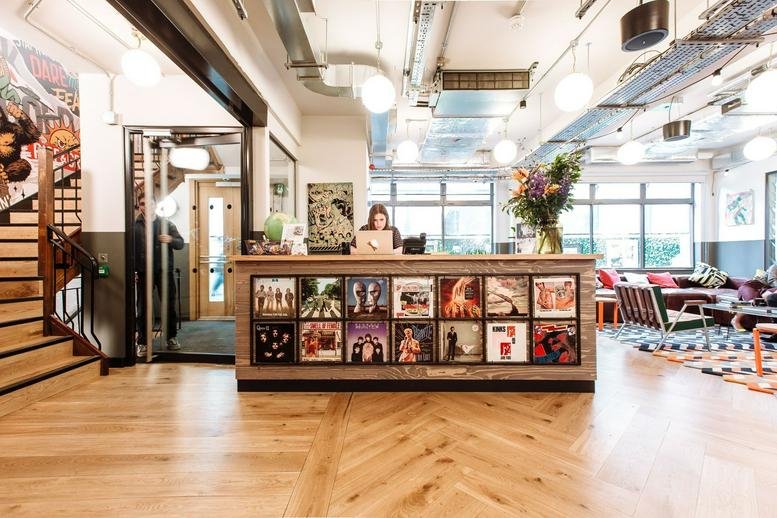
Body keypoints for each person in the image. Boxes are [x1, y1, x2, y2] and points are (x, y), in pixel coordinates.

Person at [134, 196, 184, 355]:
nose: (146, 206)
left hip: (164, 272)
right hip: (143, 272)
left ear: (155, 205)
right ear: (139, 206)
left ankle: (171, 338)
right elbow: (131, 251)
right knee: (142, 309)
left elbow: (180, 243)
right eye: (143, 204)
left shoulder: (166, 224)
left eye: (150, 203)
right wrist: (134, 271)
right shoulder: (134, 226)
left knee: (168, 306)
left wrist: (170, 239)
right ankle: (142, 342)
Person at [732, 264, 777, 331]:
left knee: (759, 302)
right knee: (754, 300)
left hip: (763, 289)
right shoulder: (775, 266)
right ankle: (735, 320)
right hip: (753, 285)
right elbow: (771, 280)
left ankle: (736, 305)